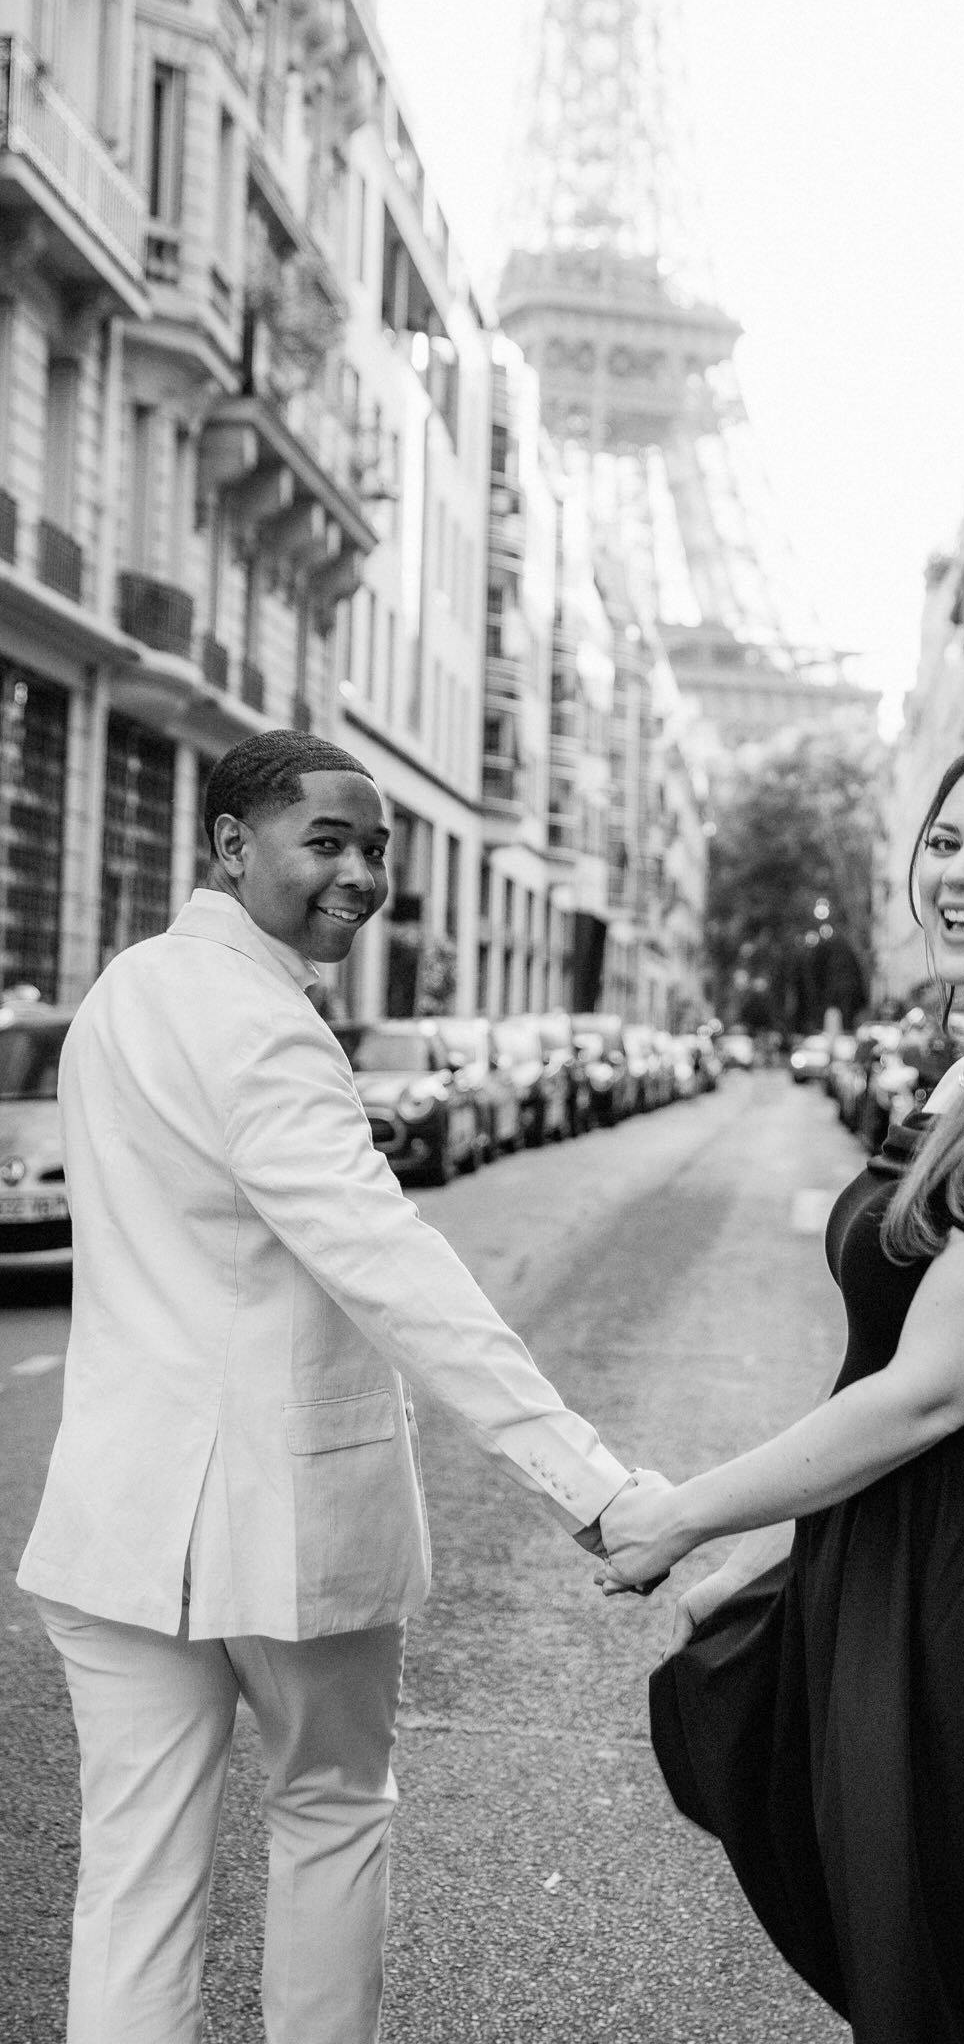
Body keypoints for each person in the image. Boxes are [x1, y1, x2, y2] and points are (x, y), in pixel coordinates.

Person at [18, 729, 661, 2044]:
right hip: (283, 1521)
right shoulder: (267, 1026)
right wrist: (586, 1485)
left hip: (118, 1517)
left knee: (133, 1881)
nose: (360, 874)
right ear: (228, 844)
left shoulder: (126, 992)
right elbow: (388, 1262)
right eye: (328, 841)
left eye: (374, 847)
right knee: (329, 1819)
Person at [600, 739, 964, 2044]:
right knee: (911, 1952)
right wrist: (791, 1559)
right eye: (947, 842)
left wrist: (685, 1515)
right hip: (914, 1555)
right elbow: (889, 1374)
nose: (958, 875)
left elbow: (928, 1396)